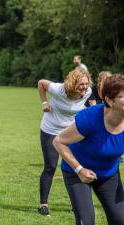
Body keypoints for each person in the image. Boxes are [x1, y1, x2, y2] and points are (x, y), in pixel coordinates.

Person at [53, 73, 124, 225]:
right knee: (86, 221)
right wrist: (79, 169)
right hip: (77, 172)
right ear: (109, 100)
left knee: (120, 219)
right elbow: (59, 141)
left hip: (108, 174)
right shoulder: (91, 118)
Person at [37, 68, 92, 216]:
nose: (85, 87)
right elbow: (41, 83)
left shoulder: (87, 92)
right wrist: (44, 102)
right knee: (50, 166)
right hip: (51, 130)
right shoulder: (59, 89)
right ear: (73, 83)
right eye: (81, 84)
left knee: (76, 167)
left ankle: (77, 204)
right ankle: (43, 204)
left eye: (86, 84)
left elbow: (90, 106)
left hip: (71, 132)